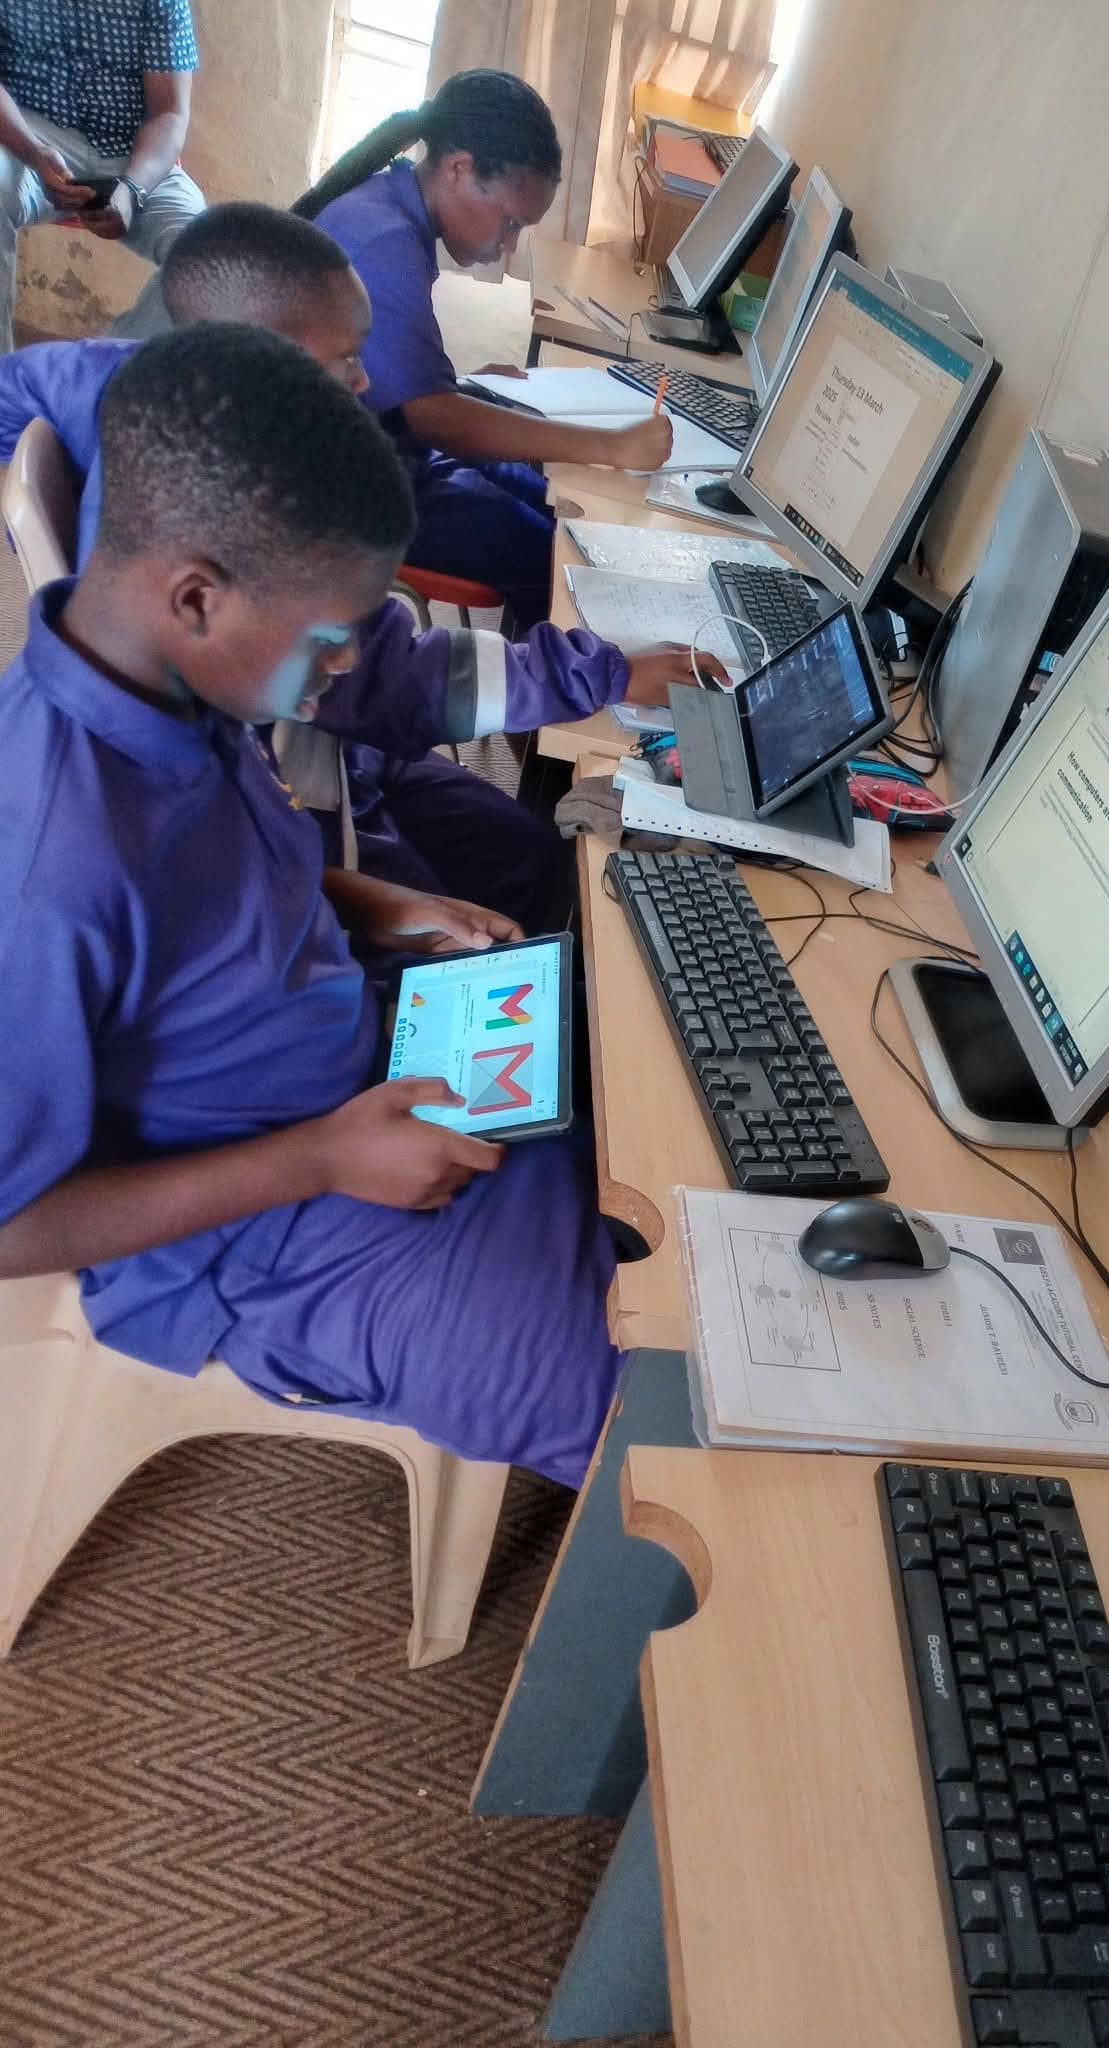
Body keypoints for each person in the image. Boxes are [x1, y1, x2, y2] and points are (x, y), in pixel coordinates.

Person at [0, 322, 622, 1476]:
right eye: (334, 639)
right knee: (652, 1419)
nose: (344, 669)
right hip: (256, 1228)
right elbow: (10, 1222)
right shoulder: (42, 868)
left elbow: (203, 897)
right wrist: (324, 1160)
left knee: (649, 1082)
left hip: (357, 1058)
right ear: (197, 597)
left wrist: (370, 900)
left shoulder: (184, 688)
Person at [0, 200, 715, 929]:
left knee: (527, 854)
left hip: (333, 747)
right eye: (347, 357)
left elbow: (14, 387)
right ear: (258, 352)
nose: (367, 380)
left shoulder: (132, 383)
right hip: (305, 782)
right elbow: (383, 678)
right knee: (509, 898)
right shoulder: (262, 556)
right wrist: (605, 676)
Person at [294, 69, 673, 627]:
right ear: (459, 169)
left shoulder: (392, 205)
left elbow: (409, 390)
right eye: (510, 223)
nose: (508, 246)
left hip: (385, 448)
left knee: (549, 497)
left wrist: (461, 386)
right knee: (554, 555)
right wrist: (610, 446)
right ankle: (549, 675)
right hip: (345, 492)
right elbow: (436, 420)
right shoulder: (384, 242)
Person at [0, 0, 205, 353]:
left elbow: (170, 113)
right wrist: (33, 152)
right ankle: (6, 382)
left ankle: (105, 373)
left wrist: (132, 189)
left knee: (205, 253)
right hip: (30, 135)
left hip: (135, 153)